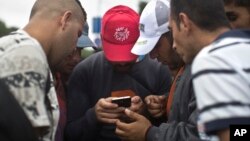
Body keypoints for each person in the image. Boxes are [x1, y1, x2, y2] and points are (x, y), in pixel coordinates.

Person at [65, 5, 172, 141]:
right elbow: (69, 134)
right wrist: (93, 116)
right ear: (102, 41)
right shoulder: (84, 72)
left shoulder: (160, 69)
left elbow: (172, 129)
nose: (122, 63)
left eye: (128, 55)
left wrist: (150, 112)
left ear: (141, 41)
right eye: (116, 56)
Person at [115, 0, 201, 141]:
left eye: (156, 45)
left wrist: (149, 133)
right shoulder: (185, 67)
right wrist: (167, 103)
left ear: (175, 31)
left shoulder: (203, 68)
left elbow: (205, 135)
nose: (153, 55)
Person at [0, 0, 85, 140]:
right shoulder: (28, 54)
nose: (74, 47)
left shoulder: (11, 45)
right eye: (78, 34)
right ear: (65, 20)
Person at [169, 0, 250, 141]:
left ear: (184, 22)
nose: (174, 45)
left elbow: (234, 134)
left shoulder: (213, 60)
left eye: (171, 30)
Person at [54, 22, 96, 141]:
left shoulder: (85, 77)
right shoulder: (45, 81)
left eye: (80, 50)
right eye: (71, 50)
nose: (76, 58)